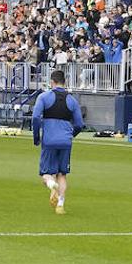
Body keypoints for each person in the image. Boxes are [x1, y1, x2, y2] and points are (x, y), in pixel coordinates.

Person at [32, 69, 83, 215]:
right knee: (62, 174)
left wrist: (36, 137)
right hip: (66, 141)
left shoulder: (44, 97)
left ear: (51, 82)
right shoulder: (72, 100)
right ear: (64, 82)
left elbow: (35, 117)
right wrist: (70, 135)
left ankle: (51, 184)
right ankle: (60, 205)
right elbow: (79, 124)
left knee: (46, 174)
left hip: (49, 140)